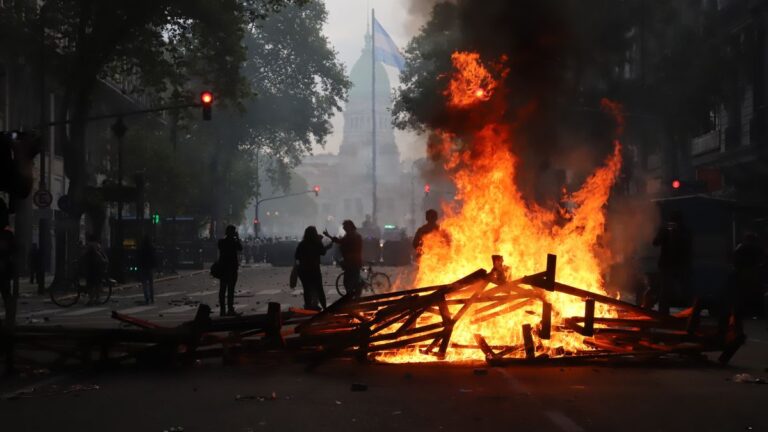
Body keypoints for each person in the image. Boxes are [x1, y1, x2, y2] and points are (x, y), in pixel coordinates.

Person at [718, 232, 765, 363]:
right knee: (737, 313)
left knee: (732, 312)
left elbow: (733, 261)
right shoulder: (757, 252)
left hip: (738, 288)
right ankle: (733, 336)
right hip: (746, 288)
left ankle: (729, 337)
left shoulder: (741, 250)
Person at [646, 211, 692, 314]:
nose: (674, 225)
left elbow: (687, 248)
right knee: (665, 289)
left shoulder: (684, 232)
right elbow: (655, 242)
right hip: (667, 265)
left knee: (675, 289)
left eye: (676, 223)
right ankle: (663, 312)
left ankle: (687, 310)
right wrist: (664, 234)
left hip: (678, 265)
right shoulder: (666, 231)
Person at [295, 226, 332, 310]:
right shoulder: (317, 243)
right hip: (314, 270)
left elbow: (296, 256)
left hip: (303, 270)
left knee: (307, 290)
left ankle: (308, 307)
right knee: (319, 289)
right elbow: (323, 252)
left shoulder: (302, 244)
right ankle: (324, 308)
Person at [324, 220, 363, 297]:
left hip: (352, 262)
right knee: (353, 280)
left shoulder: (351, 235)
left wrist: (329, 236)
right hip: (353, 262)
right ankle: (355, 295)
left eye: (345, 226)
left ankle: (353, 297)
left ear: (349, 227)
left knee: (349, 281)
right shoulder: (354, 235)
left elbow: (341, 242)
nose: (344, 228)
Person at [218, 225, 242, 316]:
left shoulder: (221, 242)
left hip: (223, 268)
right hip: (231, 268)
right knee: (230, 290)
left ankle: (222, 310)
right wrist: (237, 237)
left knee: (222, 290)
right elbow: (240, 248)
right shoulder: (233, 242)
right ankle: (230, 309)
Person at [0, 199, 16, 323]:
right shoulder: (8, 234)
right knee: (6, 294)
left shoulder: (6, 234)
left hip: (3, 268)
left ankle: (10, 318)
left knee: (6, 294)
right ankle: (10, 318)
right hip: (5, 269)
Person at [82, 233, 108, 305]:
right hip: (98, 267)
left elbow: (86, 254)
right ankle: (97, 298)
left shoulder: (90, 245)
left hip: (92, 267)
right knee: (97, 283)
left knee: (90, 284)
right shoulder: (98, 245)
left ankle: (91, 299)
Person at [137, 234, 157, 305]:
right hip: (150, 267)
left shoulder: (142, 248)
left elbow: (139, 258)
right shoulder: (152, 248)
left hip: (143, 267)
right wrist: (155, 266)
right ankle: (152, 298)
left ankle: (147, 298)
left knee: (145, 284)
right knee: (151, 284)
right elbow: (154, 258)